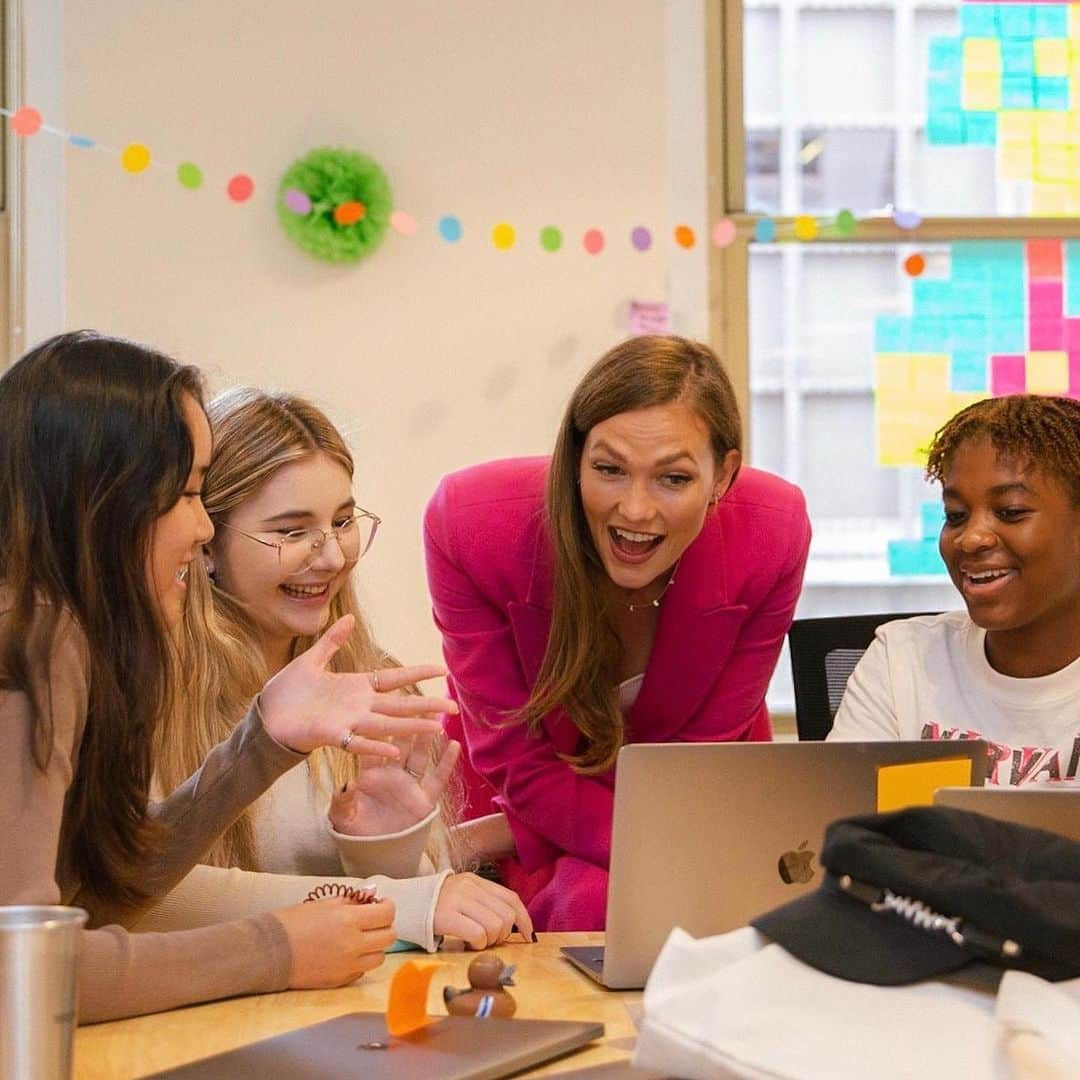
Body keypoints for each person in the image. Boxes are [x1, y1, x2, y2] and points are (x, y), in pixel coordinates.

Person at [0, 332, 455, 1023]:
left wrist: (265, 740)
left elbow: (104, 887)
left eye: (342, 520)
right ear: (106, 503)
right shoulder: (36, 642)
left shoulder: (66, 639)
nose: (201, 528)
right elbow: (24, 973)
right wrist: (274, 946)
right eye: (185, 493)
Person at [423, 335, 812, 929]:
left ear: (724, 475)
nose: (634, 509)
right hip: (531, 791)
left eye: (673, 479)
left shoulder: (774, 531)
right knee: (592, 905)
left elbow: (698, 760)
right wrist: (646, 854)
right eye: (608, 469)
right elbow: (519, 763)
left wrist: (670, 855)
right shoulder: (472, 525)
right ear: (574, 460)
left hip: (692, 791)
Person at [141, 388, 531, 951]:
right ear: (206, 543)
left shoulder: (375, 682)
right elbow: (137, 893)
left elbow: (434, 928)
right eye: (291, 531)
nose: (331, 558)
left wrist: (386, 849)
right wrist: (390, 899)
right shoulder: (147, 692)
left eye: (343, 522)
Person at [829, 394, 1080, 786]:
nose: (970, 539)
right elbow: (842, 825)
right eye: (955, 516)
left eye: (1010, 512)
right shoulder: (901, 661)